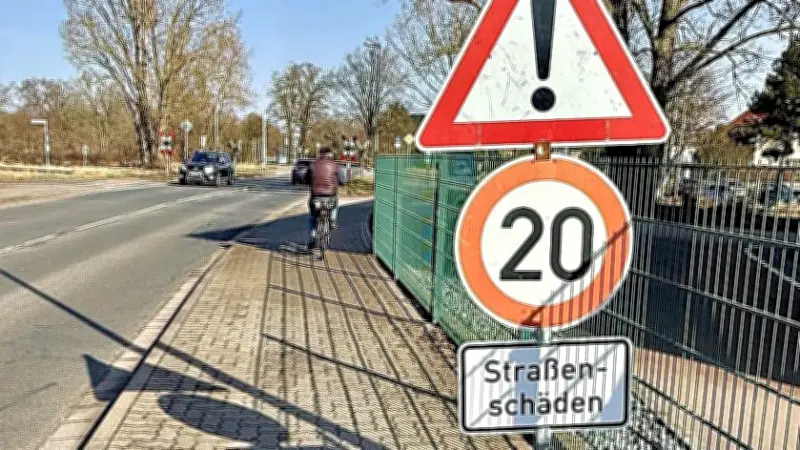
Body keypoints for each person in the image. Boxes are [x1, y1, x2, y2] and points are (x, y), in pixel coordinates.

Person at [304, 147, 341, 247]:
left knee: (312, 217)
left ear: (320, 154)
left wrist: (311, 183)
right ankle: (332, 220)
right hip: (330, 195)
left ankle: (313, 236)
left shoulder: (313, 164)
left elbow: (306, 179)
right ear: (330, 154)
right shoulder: (334, 165)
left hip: (315, 195)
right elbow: (341, 179)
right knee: (335, 204)